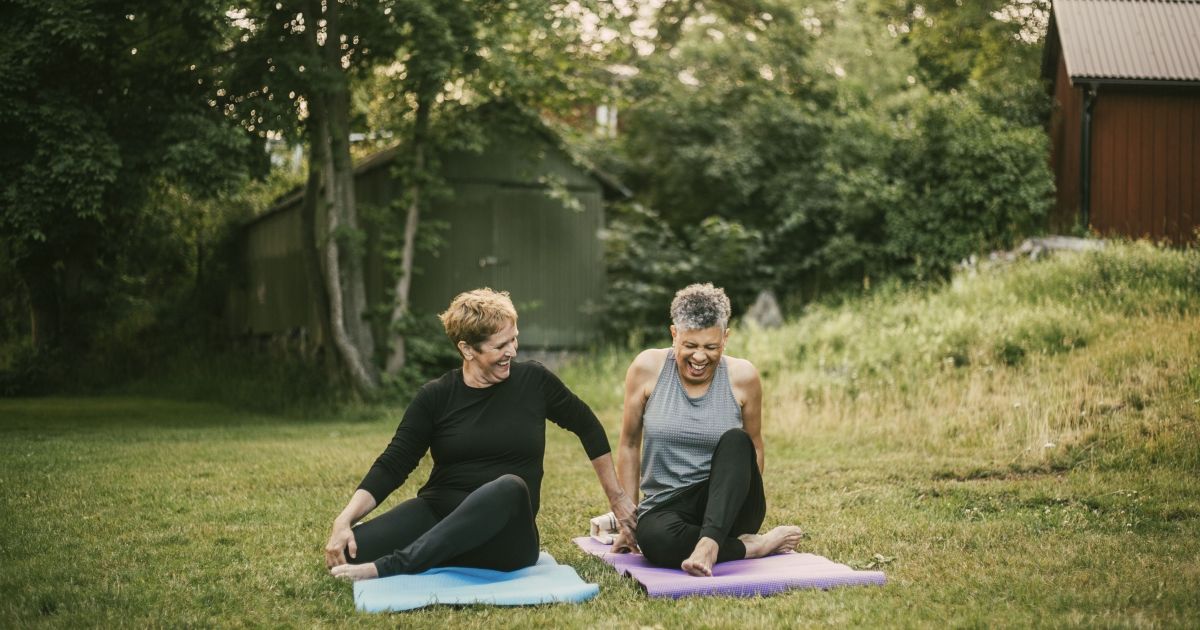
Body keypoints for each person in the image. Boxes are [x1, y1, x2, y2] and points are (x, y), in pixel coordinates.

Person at [325, 288, 636, 580]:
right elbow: (393, 464)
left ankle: (398, 564)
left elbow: (587, 426)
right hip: (440, 512)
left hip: (506, 534)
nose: (512, 351)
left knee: (509, 487)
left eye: (514, 339)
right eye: (500, 346)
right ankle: (441, 550)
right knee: (351, 552)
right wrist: (345, 519)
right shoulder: (436, 396)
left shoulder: (534, 381)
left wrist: (617, 497)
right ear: (466, 349)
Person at [612, 283, 803, 577]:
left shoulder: (744, 377)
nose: (699, 357)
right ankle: (753, 547)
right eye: (690, 346)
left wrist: (732, 506)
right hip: (668, 507)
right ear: (674, 334)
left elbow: (754, 450)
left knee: (737, 441)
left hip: (727, 505)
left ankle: (711, 543)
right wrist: (627, 521)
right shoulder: (646, 368)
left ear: (725, 339)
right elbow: (628, 444)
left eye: (711, 347)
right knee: (654, 541)